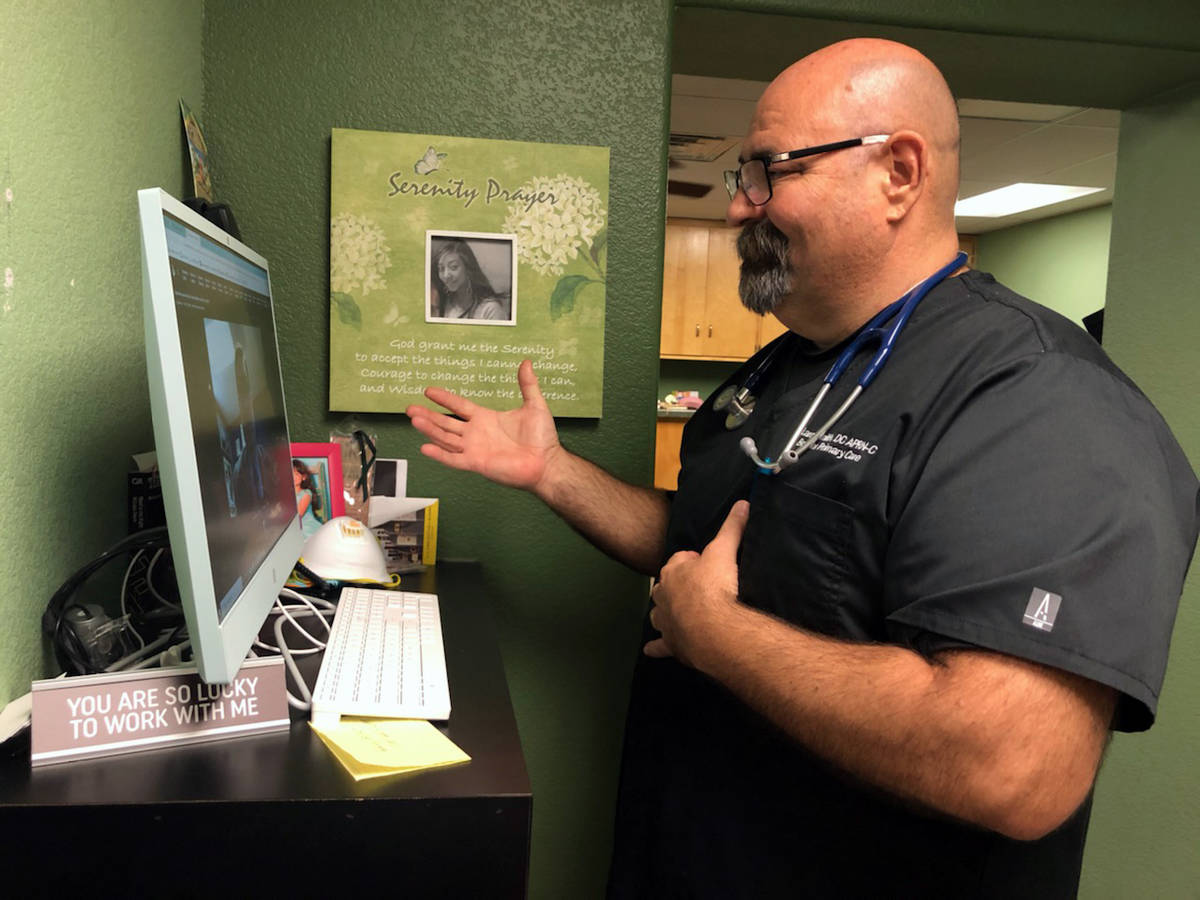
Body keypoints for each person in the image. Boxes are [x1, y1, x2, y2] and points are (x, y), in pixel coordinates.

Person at [406, 38, 1199, 897]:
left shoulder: (1042, 401)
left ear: (899, 171)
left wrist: (720, 638)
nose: (739, 209)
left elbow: (1012, 765)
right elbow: (696, 541)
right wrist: (552, 471)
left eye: (767, 171)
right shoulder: (784, 368)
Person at [430, 238, 509, 321]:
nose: (446, 275)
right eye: (441, 269)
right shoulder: (445, 303)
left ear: (468, 268)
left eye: (453, 267)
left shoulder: (490, 309)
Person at [292, 460, 323, 538]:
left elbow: (298, 514)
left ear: (304, 477)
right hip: (292, 530)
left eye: (297, 474)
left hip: (306, 528)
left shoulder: (306, 493)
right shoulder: (285, 495)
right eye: (291, 473)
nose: (294, 477)